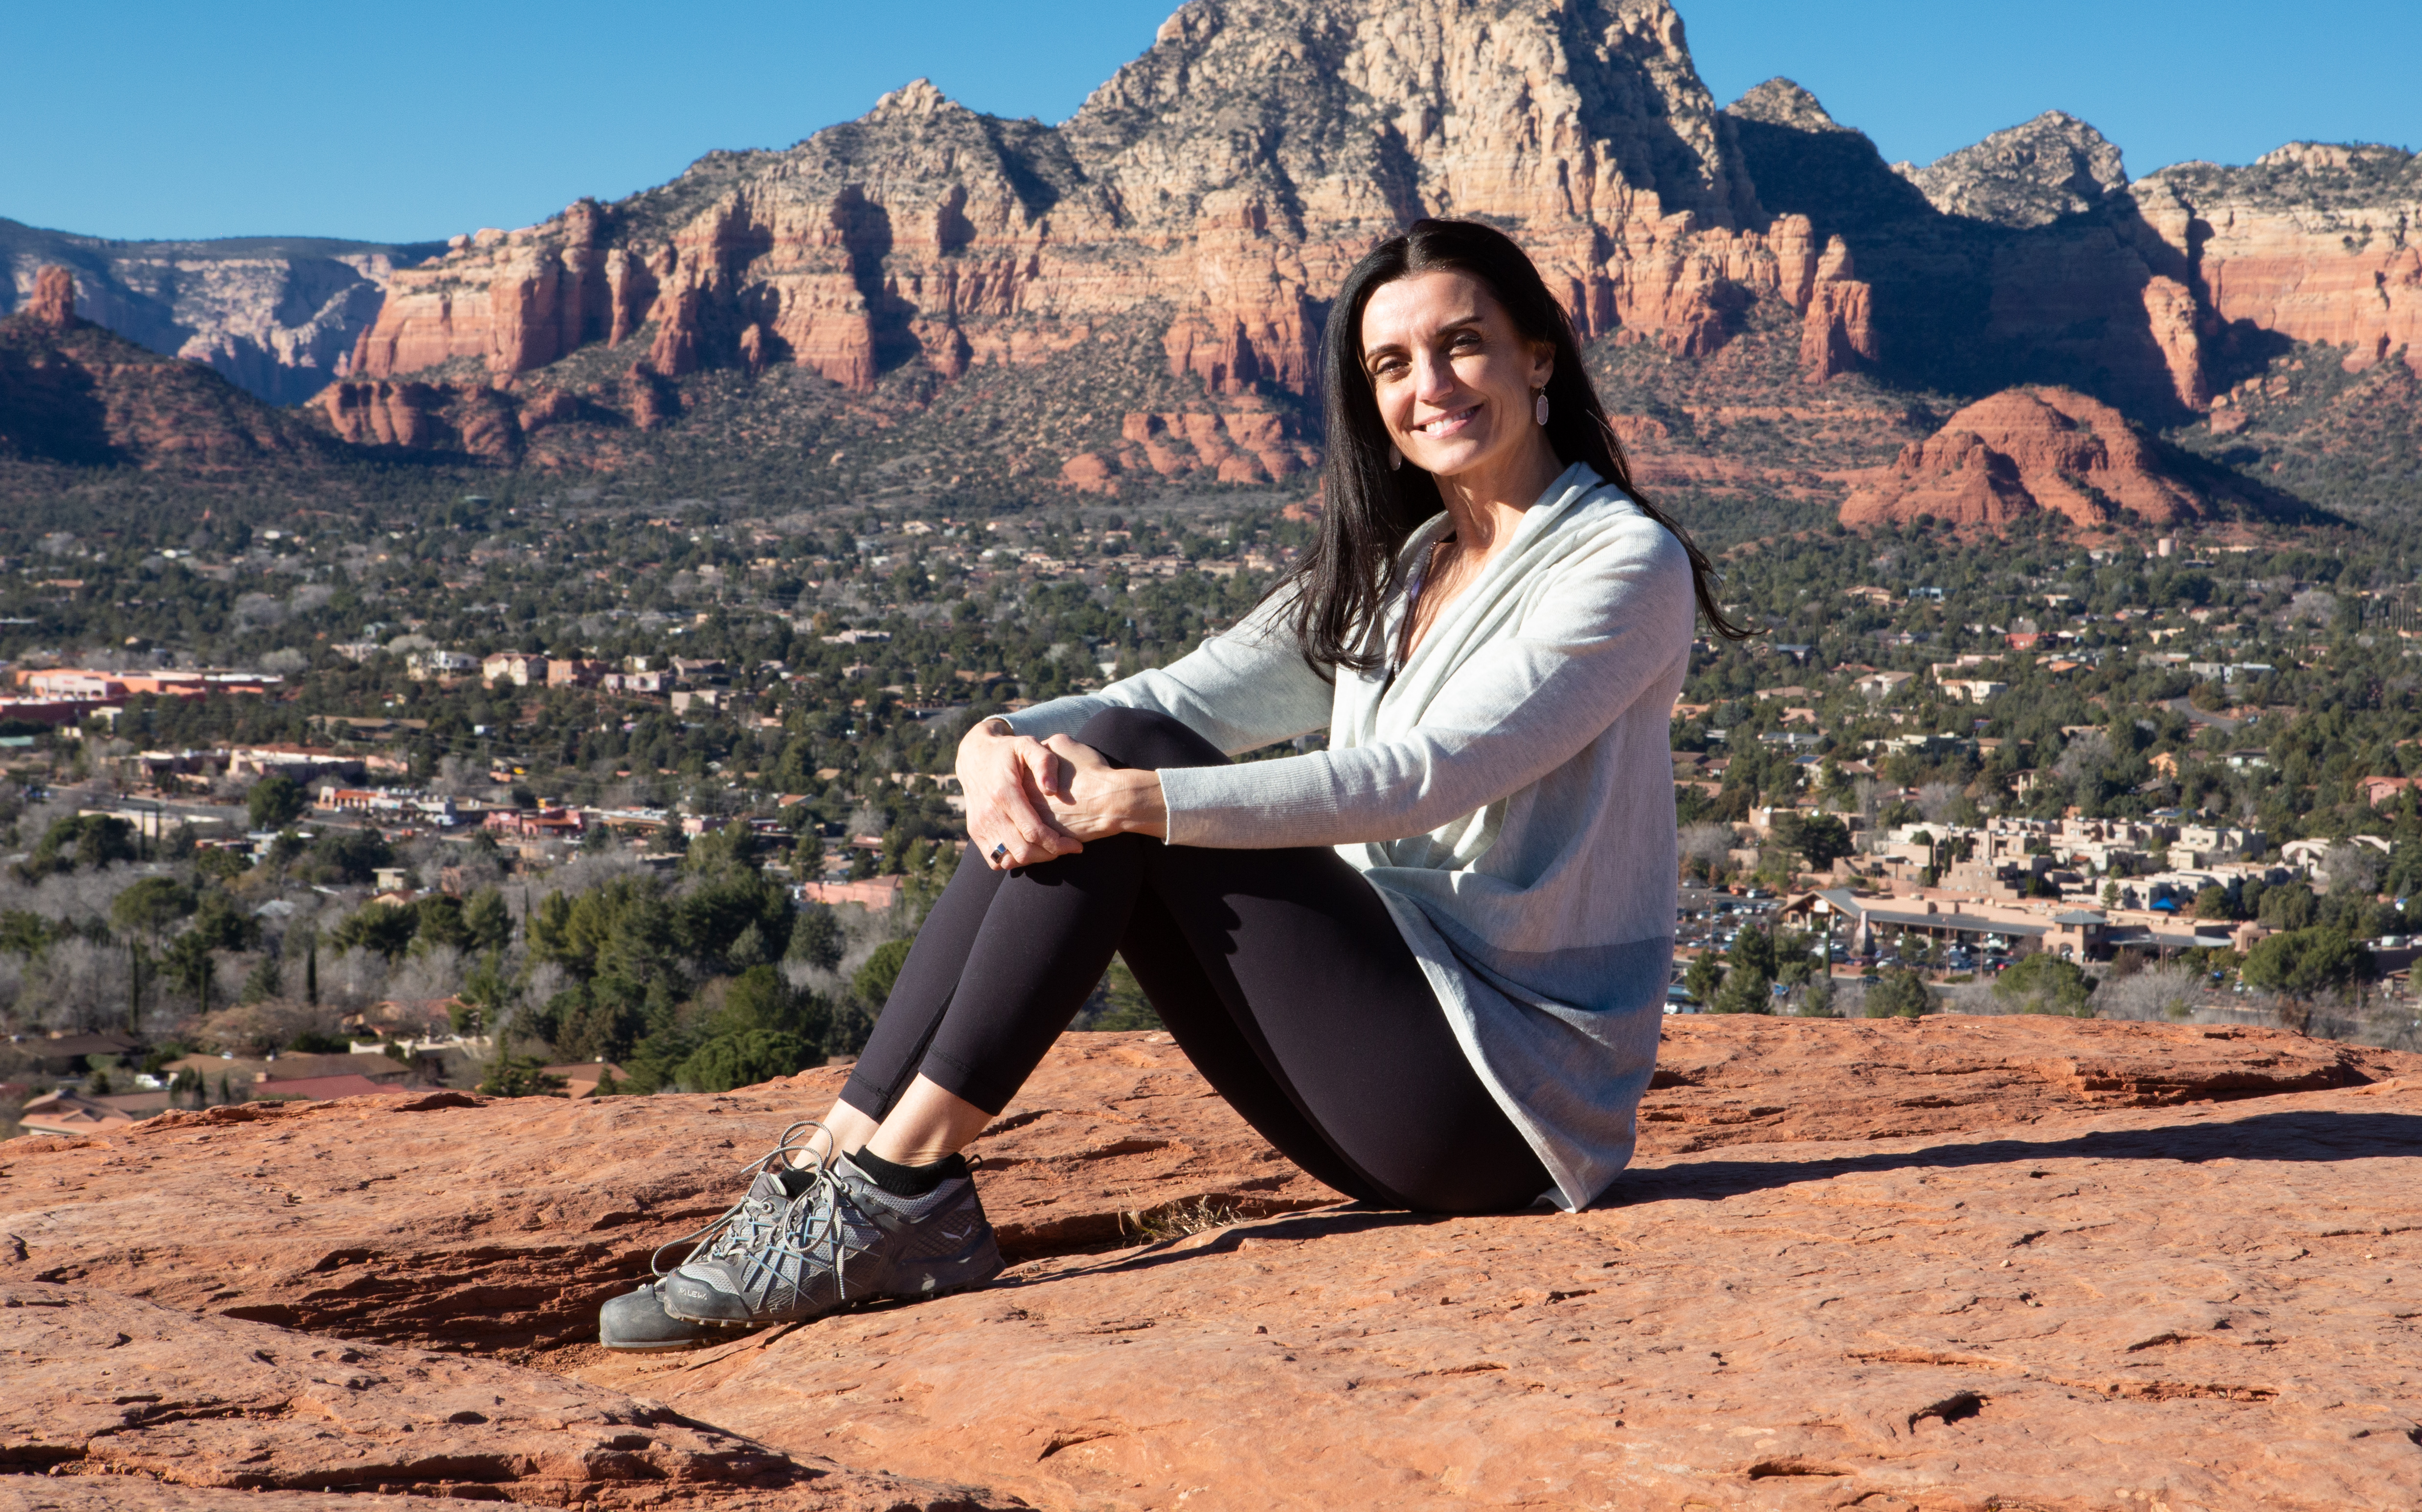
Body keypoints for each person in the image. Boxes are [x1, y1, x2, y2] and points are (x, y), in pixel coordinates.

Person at [601, 218, 1744, 1349]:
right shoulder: (1404, 563)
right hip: (1373, 1071)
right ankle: (833, 1169)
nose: (1430, 385)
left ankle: (900, 1192)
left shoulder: (1620, 561)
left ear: (1536, 355)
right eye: (1392, 364)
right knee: (1109, 739)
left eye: (1462, 344)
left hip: (1504, 1104)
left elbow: (1426, 777)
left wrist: (1139, 802)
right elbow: (1183, 696)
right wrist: (987, 741)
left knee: (1129, 768)